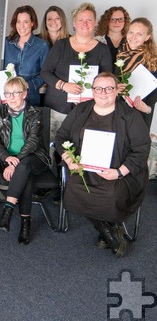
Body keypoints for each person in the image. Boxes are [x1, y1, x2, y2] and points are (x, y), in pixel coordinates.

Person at [55, 72, 150, 257]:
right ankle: (109, 230)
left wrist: (119, 172)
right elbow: (61, 137)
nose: (103, 93)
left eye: (109, 88)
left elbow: (141, 148)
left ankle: (107, 228)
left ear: (116, 91)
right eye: (98, 88)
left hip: (118, 171)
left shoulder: (129, 116)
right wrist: (68, 159)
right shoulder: (80, 110)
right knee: (75, 190)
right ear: (93, 91)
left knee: (112, 194)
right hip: (85, 169)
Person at [0, 77, 51, 244]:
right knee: (25, 173)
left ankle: (8, 209)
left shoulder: (35, 112)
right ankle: (25, 221)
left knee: (24, 166)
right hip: (10, 160)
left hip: (35, 157)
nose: (11, 97)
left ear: (24, 93)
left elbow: (32, 142)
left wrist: (15, 160)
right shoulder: (0, 110)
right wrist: (6, 158)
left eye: (16, 93)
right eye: (8, 93)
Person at [41, 2, 113, 141]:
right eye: (81, 20)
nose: (85, 23)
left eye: (89, 20)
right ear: (74, 23)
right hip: (57, 109)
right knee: (54, 149)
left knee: (81, 149)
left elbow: (107, 78)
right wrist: (63, 85)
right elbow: (45, 72)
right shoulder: (61, 45)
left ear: (95, 23)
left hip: (88, 111)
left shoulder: (103, 50)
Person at [4, 5, 49, 106]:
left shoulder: (42, 45)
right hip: (8, 99)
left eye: (26, 22)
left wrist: (26, 86)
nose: (21, 26)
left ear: (32, 23)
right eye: (18, 22)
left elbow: (46, 74)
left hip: (31, 98)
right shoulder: (7, 43)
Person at [116, 17, 157, 127]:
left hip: (139, 113)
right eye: (131, 32)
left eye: (139, 34)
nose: (133, 37)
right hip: (116, 111)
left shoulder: (152, 59)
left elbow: (154, 92)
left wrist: (147, 108)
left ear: (147, 37)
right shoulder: (118, 52)